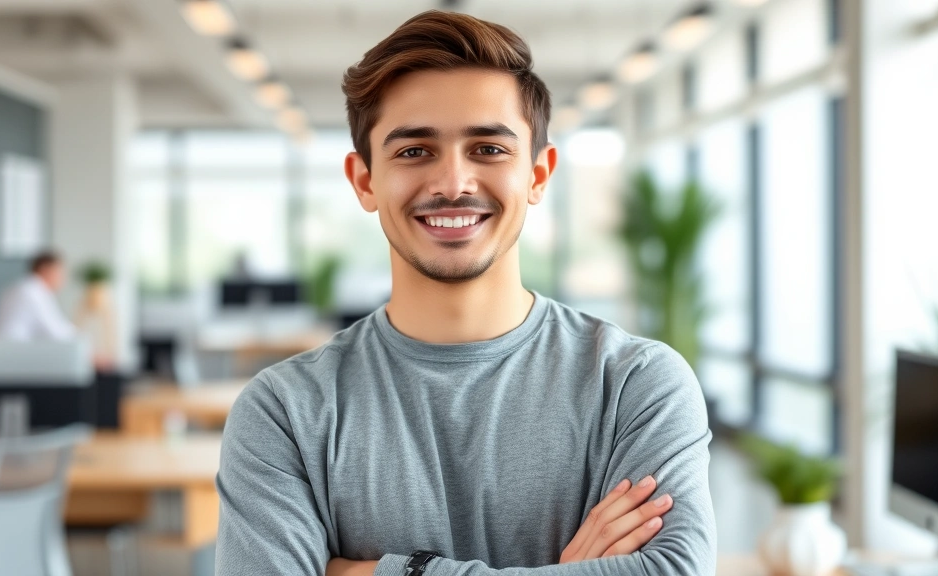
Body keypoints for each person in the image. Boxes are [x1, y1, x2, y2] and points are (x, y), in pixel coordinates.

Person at [216, 10, 716, 576]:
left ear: (538, 175)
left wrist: (380, 571)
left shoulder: (635, 385)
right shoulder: (283, 413)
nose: (453, 184)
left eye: (488, 149)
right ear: (364, 180)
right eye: (414, 151)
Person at [0, 250, 76, 341]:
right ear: (45, 269)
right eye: (59, 273)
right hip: (12, 347)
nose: (62, 279)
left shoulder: (23, 287)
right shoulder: (33, 292)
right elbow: (58, 333)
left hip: (2, 345)